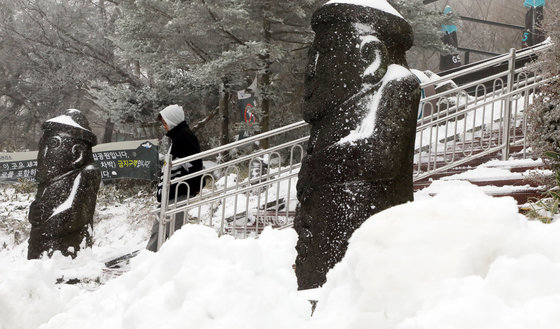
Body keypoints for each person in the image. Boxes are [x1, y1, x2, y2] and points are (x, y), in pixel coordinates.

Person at [146, 104, 204, 251]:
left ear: (173, 120)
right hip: (172, 192)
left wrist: (195, 186)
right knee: (161, 230)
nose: (164, 126)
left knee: (171, 232)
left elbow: (194, 164)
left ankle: (158, 261)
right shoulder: (179, 137)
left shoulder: (184, 136)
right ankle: (150, 261)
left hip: (178, 192)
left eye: (165, 122)